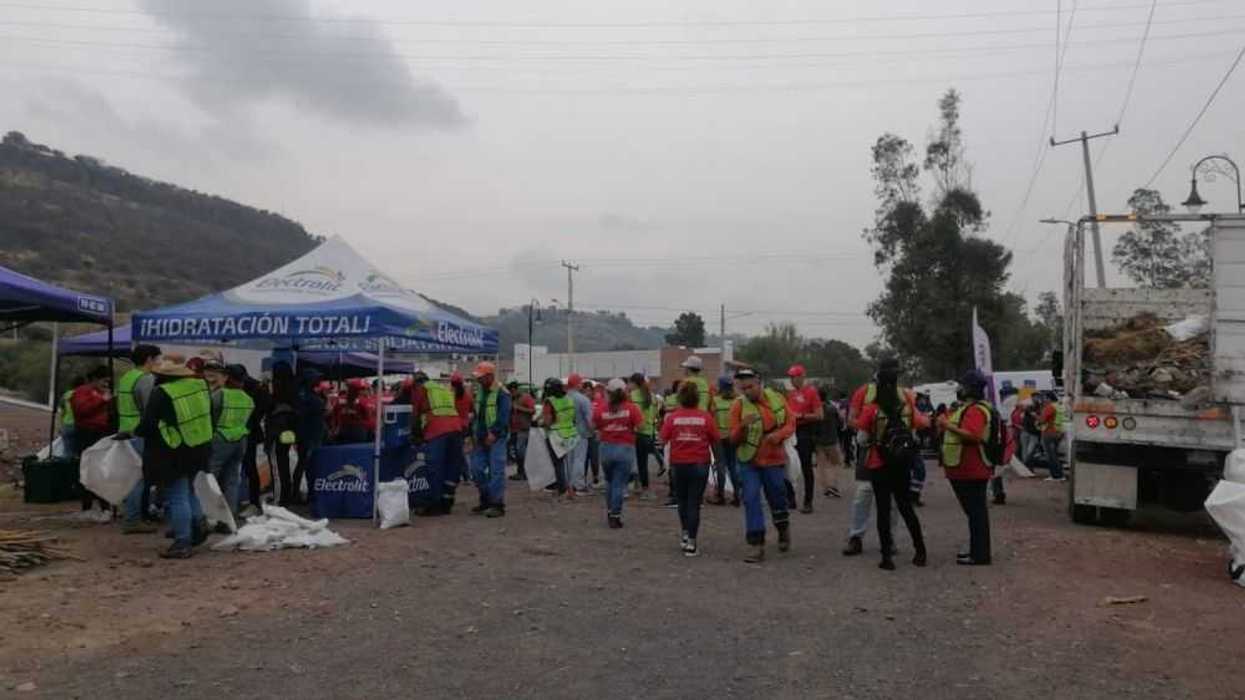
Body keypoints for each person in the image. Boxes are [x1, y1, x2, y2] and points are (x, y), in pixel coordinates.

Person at [135, 355, 214, 559]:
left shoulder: (162, 392)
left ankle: (182, 541)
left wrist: (136, 431)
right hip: (199, 446)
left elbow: (148, 424)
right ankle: (199, 526)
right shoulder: (199, 386)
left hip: (172, 450)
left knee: (177, 494)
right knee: (189, 490)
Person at [852, 358, 928, 571]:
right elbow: (916, 425)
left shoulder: (872, 409)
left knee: (883, 510)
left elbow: (861, 439)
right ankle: (920, 551)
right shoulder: (907, 405)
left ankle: (887, 557)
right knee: (906, 507)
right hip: (902, 462)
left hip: (879, 462)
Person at [729, 367, 796, 563]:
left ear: (759, 383)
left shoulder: (777, 399)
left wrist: (779, 435)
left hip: (773, 459)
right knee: (750, 498)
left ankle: (783, 528)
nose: (747, 391)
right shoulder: (738, 406)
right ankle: (756, 544)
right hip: (749, 461)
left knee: (777, 495)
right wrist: (743, 426)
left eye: (750, 387)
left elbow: (791, 423)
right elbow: (732, 439)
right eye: (743, 388)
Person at [939, 370, 994, 566]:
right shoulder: (972, 408)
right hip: (967, 467)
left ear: (970, 388)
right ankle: (976, 551)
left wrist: (946, 425)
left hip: (970, 467)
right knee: (974, 512)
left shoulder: (975, 410)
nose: (959, 389)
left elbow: (973, 435)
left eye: (962, 386)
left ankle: (979, 555)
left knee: (976, 512)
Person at [661, 380, 720, 556]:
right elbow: (715, 439)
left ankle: (685, 533)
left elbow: (662, 439)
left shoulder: (673, 418)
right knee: (694, 502)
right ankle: (692, 542)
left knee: (682, 501)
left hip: (678, 464)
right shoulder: (706, 417)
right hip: (700, 464)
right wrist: (716, 460)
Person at [116, 345, 162, 534]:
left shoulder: (127, 377)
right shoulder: (146, 379)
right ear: (149, 359)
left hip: (125, 431)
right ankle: (133, 519)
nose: (159, 363)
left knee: (132, 476)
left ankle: (135, 515)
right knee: (139, 478)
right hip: (139, 434)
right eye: (158, 359)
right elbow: (150, 409)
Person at [409, 371, 465, 516]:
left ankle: (435, 505)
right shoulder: (442, 388)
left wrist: (415, 435)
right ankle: (447, 501)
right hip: (456, 428)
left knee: (435, 467)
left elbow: (415, 414)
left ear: (416, 383)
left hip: (437, 430)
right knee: (452, 466)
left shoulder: (421, 389)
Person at [205, 361, 254, 518]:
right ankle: (229, 516)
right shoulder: (248, 398)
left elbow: (210, 416)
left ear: (227, 378)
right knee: (232, 478)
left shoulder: (220, 395)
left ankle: (210, 514)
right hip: (241, 440)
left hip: (220, 438)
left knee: (211, 477)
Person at [593, 378, 643, 529]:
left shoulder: (601, 409)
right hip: (624, 449)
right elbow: (640, 426)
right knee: (619, 484)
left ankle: (610, 511)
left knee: (609, 482)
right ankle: (615, 515)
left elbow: (593, 425)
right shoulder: (632, 408)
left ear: (608, 392)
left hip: (606, 449)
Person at [468, 361, 511, 517]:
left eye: (481, 377)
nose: (478, 380)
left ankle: (497, 504)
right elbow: (477, 413)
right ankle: (486, 499)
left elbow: (504, 416)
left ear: (490, 376)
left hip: (496, 438)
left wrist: (494, 433)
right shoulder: (479, 391)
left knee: (496, 471)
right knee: (476, 469)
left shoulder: (502, 392)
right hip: (480, 437)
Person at [71, 366, 113, 514]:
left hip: (101, 433)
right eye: (103, 381)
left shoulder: (101, 392)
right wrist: (102, 401)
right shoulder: (82, 392)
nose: (106, 384)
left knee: (102, 470)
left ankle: (104, 506)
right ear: (95, 379)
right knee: (87, 470)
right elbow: (81, 410)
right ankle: (87, 506)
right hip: (87, 434)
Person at [786, 364, 823, 514]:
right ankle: (791, 499)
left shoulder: (811, 392)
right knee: (789, 465)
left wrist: (801, 416)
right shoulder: (791, 393)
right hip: (791, 431)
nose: (791, 380)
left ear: (801, 377)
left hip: (805, 432)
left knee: (806, 467)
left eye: (793, 377)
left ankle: (808, 502)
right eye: (790, 377)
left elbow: (820, 415)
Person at [236, 365, 270, 516]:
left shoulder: (255, 389)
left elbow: (261, 411)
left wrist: (251, 422)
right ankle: (249, 502)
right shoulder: (258, 387)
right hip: (248, 433)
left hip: (247, 434)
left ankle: (253, 502)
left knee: (248, 469)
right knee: (247, 469)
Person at [267, 362, 299, 507]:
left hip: (276, 431)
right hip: (288, 432)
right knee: (284, 464)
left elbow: (268, 407)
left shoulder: (276, 390)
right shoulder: (294, 389)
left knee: (277, 468)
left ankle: (279, 500)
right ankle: (286, 496)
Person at [541, 377, 578, 497]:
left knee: (558, 463)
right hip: (571, 434)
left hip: (556, 435)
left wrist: (540, 423)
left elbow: (547, 421)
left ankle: (562, 489)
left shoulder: (549, 401)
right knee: (569, 463)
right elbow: (573, 417)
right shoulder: (569, 399)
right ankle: (572, 487)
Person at [709, 375, 741, 506]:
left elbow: (712, 419)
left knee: (720, 465)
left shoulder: (715, 400)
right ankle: (737, 495)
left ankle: (720, 495)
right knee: (733, 465)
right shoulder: (738, 400)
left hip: (719, 437)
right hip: (733, 436)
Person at [566, 373, 595, 496]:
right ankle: (579, 486)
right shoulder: (583, 399)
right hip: (581, 433)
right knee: (579, 459)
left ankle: (569, 485)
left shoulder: (564, 398)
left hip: (566, 433)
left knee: (569, 460)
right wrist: (593, 431)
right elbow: (589, 419)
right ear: (578, 384)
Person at [816, 385, 844, 499]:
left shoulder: (815, 410)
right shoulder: (832, 408)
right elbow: (840, 422)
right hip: (832, 440)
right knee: (836, 464)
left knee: (822, 466)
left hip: (818, 441)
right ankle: (833, 485)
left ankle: (826, 488)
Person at [330, 379, 375, 444]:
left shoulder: (340, 401)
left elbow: (334, 417)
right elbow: (369, 420)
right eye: (364, 389)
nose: (366, 391)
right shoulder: (363, 402)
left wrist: (334, 430)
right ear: (358, 390)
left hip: (343, 430)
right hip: (359, 432)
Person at [507, 382, 536, 481]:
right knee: (517, 451)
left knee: (520, 451)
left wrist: (519, 408)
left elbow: (532, 410)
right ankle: (520, 472)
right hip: (514, 429)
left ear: (516, 389)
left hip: (523, 429)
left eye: (513, 391)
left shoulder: (526, 397)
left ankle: (524, 472)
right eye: (510, 392)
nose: (512, 393)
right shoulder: (511, 399)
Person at [1040, 392, 1066, 481]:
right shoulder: (1060, 406)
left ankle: (1056, 475)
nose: (1043, 400)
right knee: (1054, 455)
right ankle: (1060, 475)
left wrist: (1036, 417)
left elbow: (1042, 420)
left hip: (1049, 433)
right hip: (1059, 433)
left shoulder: (1049, 407)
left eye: (1044, 398)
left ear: (1049, 398)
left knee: (1050, 456)